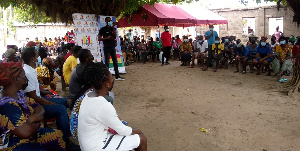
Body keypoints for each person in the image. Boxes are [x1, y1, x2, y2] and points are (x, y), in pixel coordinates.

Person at [78, 63, 147, 151]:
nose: (112, 79)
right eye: (111, 77)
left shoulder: (88, 95)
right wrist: (138, 131)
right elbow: (122, 130)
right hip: (96, 146)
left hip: (89, 143)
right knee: (141, 139)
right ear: (107, 84)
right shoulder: (103, 105)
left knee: (128, 140)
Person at [0, 62, 65, 150]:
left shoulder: (19, 93)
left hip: (30, 133)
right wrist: (37, 122)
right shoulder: (6, 104)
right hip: (13, 144)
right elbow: (25, 132)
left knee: (57, 136)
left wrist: (31, 119)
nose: (26, 79)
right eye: (24, 76)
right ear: (16, 80)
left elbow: (39, 108)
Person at [21, 47, 73, 148]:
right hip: (35, 106)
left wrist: (44, 91)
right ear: (32, 59)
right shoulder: (27, 72)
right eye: (37, 55)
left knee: (62, 100)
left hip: (38, 99)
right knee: (61, 109)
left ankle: (66, 126)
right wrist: (49, 103)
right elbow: (33, 96)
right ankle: (66, 140)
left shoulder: (30, 69)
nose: (39, 57)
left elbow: (33, 89)